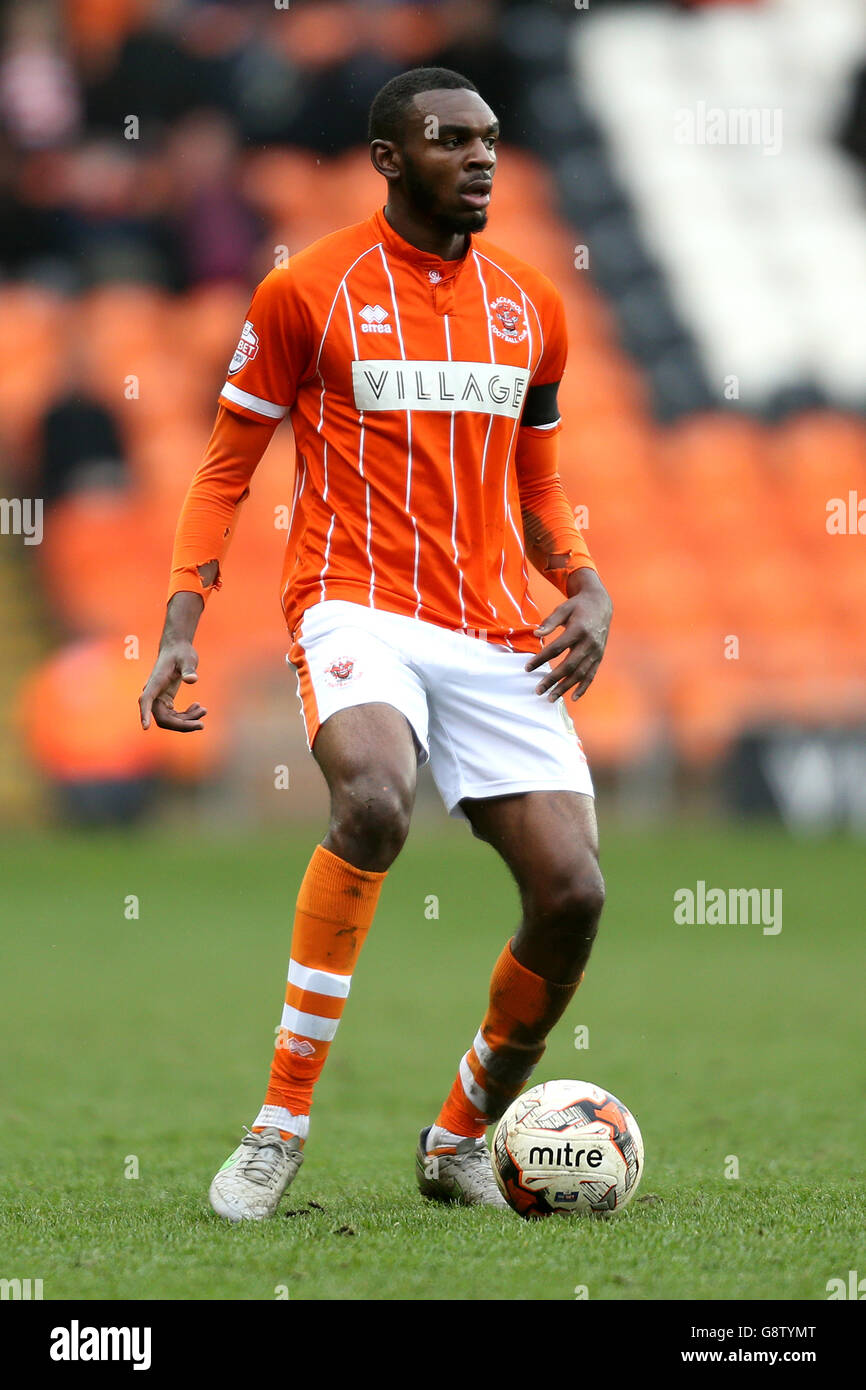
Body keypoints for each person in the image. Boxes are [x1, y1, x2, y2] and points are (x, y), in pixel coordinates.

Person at [139, 67, 613, 1220]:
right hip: (355, 598)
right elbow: (223, 469)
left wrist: (587, 586)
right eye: (452, 139)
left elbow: (537, 488)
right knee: (370, 802)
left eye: (492, 139)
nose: (482, 157)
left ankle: (456, 1136)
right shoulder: (307, 291)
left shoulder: (530, 306)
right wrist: (180, 618)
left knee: (572, 894)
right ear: (390, 157)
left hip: (498, 620)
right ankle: (279, 1123)